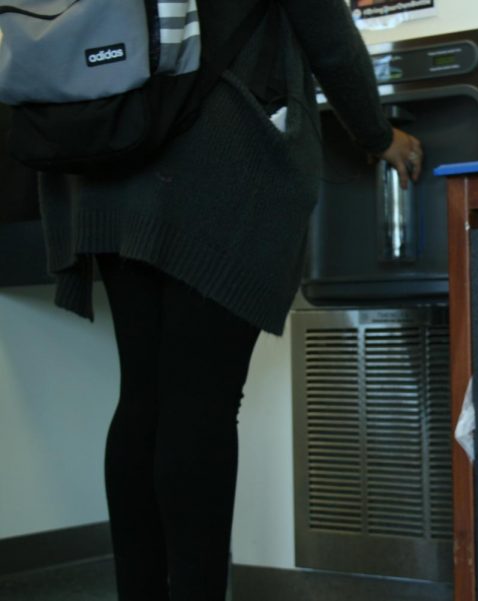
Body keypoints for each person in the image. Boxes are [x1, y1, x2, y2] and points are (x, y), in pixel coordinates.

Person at [35, 1, 423, 599]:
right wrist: (378, 133)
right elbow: (328, 34)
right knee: (200, 405)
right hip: (213, 163)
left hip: (107, 151)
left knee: (145, 395)